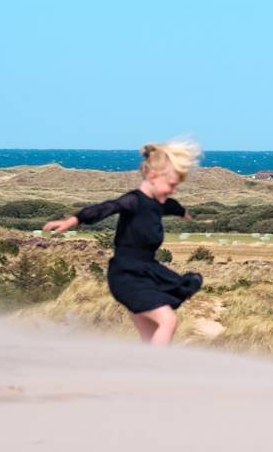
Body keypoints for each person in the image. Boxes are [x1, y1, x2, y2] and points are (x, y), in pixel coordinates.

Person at [43, 140, 203, 345]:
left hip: (147, 273)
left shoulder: (158, 205)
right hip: (127, 275)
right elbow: (107, 207)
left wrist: (184, 213)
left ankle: (140, 372)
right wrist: (74, 220)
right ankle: (157, 369)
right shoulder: (133, 201)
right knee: (168, 321)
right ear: (153, 176)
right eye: (171, 185)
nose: (172, 190)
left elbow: (171, 205)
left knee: (151, 335)